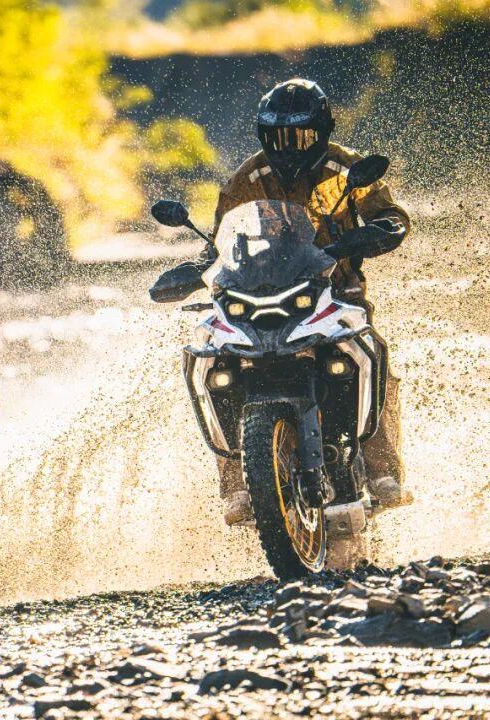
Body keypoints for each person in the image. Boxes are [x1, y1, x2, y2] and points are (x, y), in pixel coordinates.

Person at [178, 78, 411, 526]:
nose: (289, 146)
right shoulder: (247, 178)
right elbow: (217, 242)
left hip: (334, 291)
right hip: (256, 292)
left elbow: (388, 214)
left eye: (301, 135)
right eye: (278, 136)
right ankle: (236, 484)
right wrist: (194, 269)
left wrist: (380, 231)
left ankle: (384, 470)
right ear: (263, 135)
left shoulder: (346, 168)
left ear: (322, 130)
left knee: (373, 353)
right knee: (217, 360)